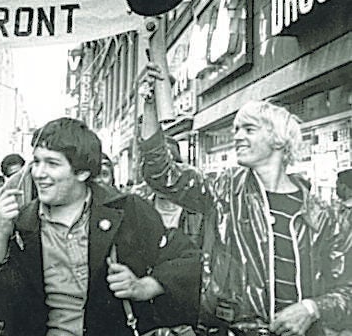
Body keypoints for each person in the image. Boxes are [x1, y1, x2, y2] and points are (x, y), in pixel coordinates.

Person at [138, 63, 352, 336]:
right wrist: (148, 104)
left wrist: (312, 308)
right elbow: (162, 175)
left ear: (277, 139)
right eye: (236, 129)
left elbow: (347, 288)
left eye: (249, 130)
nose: (237, 136)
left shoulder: (325, 215)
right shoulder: (222, 191)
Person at [0, 117, 201, 336]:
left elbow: (186, 258)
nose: (39, 173)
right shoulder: (21, 224)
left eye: (52, 164)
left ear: (82, 172)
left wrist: (145, 286)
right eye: (37, 161)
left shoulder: (128, 211)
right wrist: (0, 234)